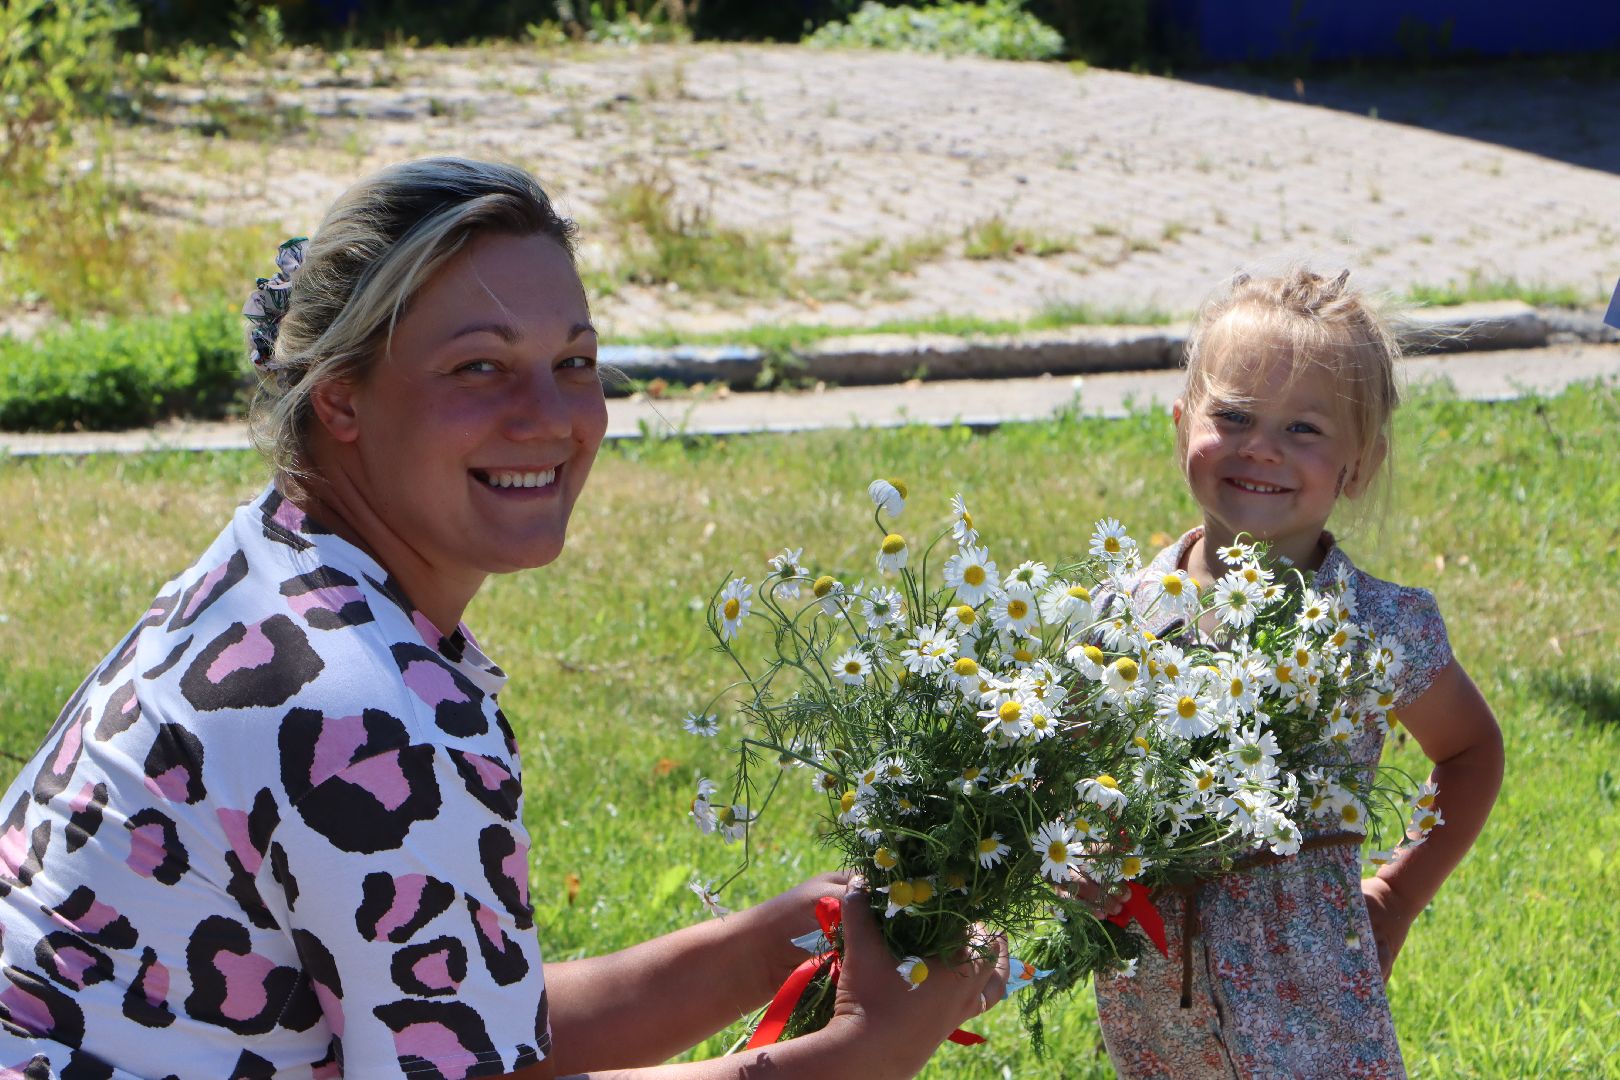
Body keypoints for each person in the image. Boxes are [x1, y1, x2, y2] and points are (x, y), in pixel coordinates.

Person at [0, 157, 1006, 1078]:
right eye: (478, 367)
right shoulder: (362, 712)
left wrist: (767, 944)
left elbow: (465, 1022)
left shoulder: (272, 568)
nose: (551, 417)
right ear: (340, 398)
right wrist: (868, 1051)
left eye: (575, 362)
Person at [1090, 268, 1503, 1078]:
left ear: (1360, 465)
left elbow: (1469, 751)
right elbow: (1074, 764)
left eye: (1304, 428)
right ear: (1181, 424)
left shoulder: (1376, 626)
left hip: (1315, 996)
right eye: (1234, 415)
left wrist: (1397, 895)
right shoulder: (1120, 614)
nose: (1262, 447)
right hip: (1155, 991)